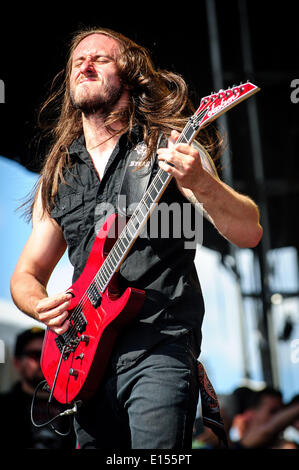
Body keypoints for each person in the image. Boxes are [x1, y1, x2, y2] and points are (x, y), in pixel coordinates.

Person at [10, 27, 263, 449]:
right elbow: (26, 274)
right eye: (77, 61)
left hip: (158, 347)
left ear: (130, 76)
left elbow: (249, 230)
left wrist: (202, 182)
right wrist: (40, 305)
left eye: (100, 58)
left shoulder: (169, 146)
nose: (85, 64)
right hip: (83, 364)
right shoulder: (58, 177)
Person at [0, 327, 76, 448]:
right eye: (35, 355)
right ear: (17, 362)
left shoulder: (76, 405)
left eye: (49, 354)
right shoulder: (5, 406)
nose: (43, 360)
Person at [230, 387, 299, 449]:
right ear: (250, 415)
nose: (281, 417)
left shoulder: (287, 444)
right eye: (273, 411)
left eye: (282, 412)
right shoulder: (242, 445)